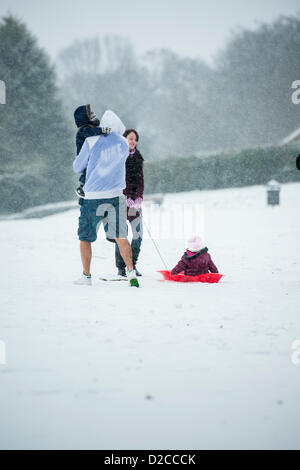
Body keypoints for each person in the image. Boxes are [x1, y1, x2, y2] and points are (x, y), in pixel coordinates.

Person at [73, 110, 139, 287]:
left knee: (85, 237)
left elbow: (78, 167)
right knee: (120, 235)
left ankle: (86, 276)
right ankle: (131, 272)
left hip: (93, 197)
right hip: (116, 196)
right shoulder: (122, 143)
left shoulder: (91, 141)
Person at [114, 129, 144, 277]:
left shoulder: (139, 158)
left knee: (138, 235)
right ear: (124, 139)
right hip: (120, 202)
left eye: (135, 139)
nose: (132, 141)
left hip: (135, 204)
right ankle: (121, 268)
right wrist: (126, 197)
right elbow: (118, 179)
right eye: (130, 138)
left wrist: (138, 198)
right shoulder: (119, 157)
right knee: (121, 236)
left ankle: (133, 265)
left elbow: (141, 181)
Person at [74, 104, 111, 202]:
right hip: (85, 157)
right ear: (84, 118)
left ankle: (87, 188)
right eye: (90, 114)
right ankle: (81, 185)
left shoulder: (91, 128)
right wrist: (103, 130)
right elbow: (91, 132)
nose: (94, 115)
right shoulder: (84, 129)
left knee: (92, 170)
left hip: (91, 155)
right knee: (88, 170)